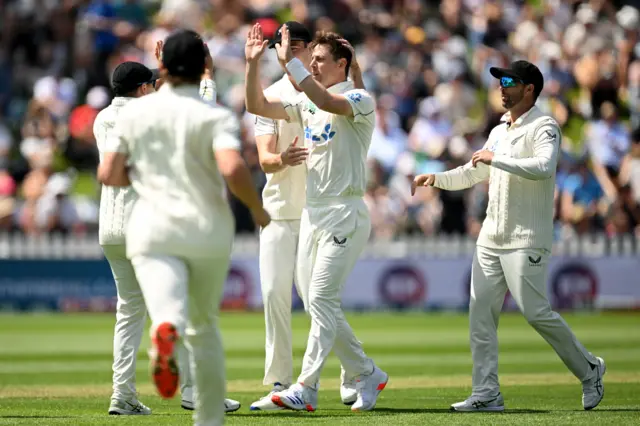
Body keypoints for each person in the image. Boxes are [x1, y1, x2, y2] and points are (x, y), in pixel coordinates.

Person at [98, 29, 270, 426]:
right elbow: (229, 163)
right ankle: (196, 395)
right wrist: (255, 208)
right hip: (193, 225)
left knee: (131, 311)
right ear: (202, 66)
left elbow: (109, 172)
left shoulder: (121, 114)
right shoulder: (206, 113)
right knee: (202, 320)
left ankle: (124, 392)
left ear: (162, 68)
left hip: (129, 226)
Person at [411, 60, 606, 412]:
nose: (501, 87)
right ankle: (486, 393)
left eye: (509, 81)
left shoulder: (544, 126)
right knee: (480, 317)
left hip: (526, 237)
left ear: (529, 88)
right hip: (490, 237)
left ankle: (590, 368)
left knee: (535, 312)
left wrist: (496, 158)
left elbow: (544, 167)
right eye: (499, 81)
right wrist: (437, 179)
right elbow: (473, 173)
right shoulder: (499, 130)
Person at [245, 23, 388, 412]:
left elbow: (327, 102)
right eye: (312, 59)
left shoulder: (360, 98)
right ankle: (367, 373)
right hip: (313, 212)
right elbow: (257, 107)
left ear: (343, 64)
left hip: (345, 210)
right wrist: (252, 65)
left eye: (321, 59)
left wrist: (290, 61)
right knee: (315, 303)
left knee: (322, 297)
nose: (315, 64)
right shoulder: (308, 101)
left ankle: (306, 387)